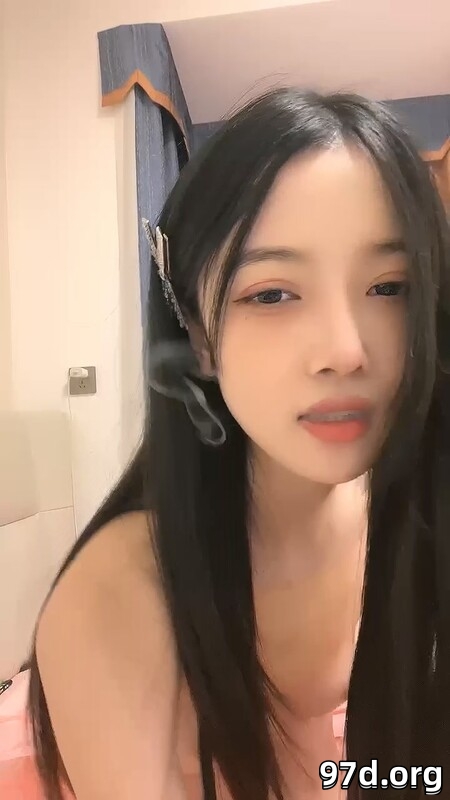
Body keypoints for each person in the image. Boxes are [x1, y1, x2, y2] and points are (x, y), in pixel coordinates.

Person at [26, 88, 450, 800]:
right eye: (273, 294)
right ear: (196, 336)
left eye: (388, 286)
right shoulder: (119, 602)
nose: (346, 352)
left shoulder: (400, 507)